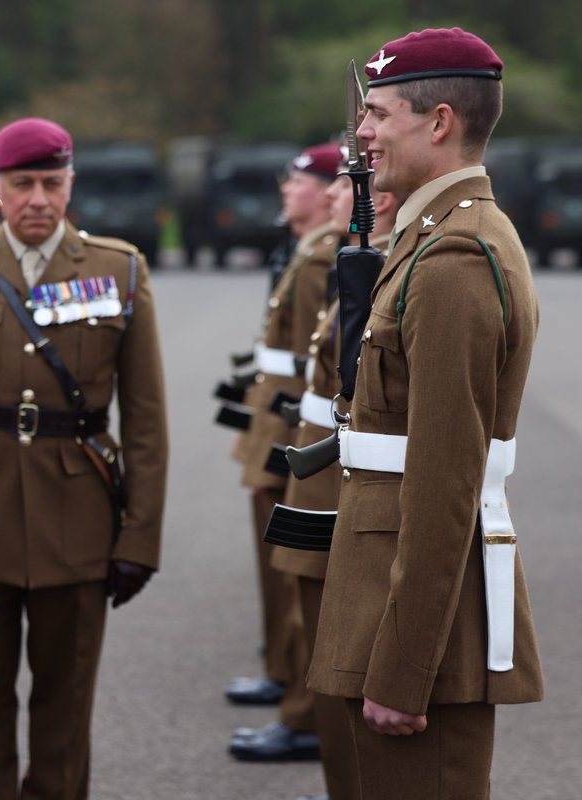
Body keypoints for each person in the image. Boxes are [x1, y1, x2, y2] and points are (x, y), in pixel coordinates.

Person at [308, 28, 542, 798]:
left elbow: (445, 480)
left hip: (413, 628)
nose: (362, 132)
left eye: (376, 114)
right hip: (382, 588)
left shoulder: (456, 256)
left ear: (438, 122)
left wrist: (405, 670)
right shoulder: (430, 236)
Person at [0, 117, 168, 799]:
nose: (37, 198)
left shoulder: (117, 267)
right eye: (21, 184)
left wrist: (140, 539)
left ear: (71, 184)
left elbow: (149, 419)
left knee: (65, 708)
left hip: (79, 518)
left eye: (51, 182)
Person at [264, 172, 398, 800]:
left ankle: (303, 719)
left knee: (343, 657)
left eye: (353, 188)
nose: (339, 198)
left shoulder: (384, 265)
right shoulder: (354, 261)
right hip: (320, 466)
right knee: (325, 650)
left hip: (348, 475)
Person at [226, 144, 340, 764]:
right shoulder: (305, 251)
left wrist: (284, 449)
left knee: (296, 581)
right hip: (280, 428)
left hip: (297, 432)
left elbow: (311, 370)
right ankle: (282, 675)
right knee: (281, 578)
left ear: (327, 191)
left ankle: (301, 711)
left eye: (298, 180)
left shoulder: (324, 256)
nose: (287, 189)